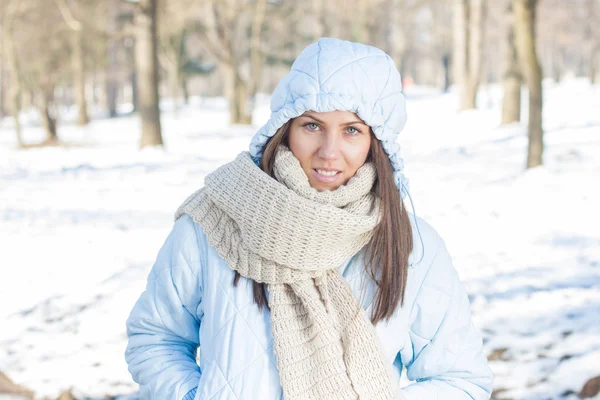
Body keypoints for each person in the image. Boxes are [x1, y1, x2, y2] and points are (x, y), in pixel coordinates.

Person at [125, 38, 493, 400]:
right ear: (285, 129)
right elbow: (156, 338)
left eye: (352, 130)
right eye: (312, 126)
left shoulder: (411, 246)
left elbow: (460, 379)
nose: (329, 152)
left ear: (376, 143)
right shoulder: (213, 222)